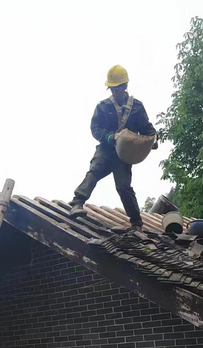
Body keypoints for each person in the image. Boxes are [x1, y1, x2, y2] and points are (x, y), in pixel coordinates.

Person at [68, 65, 157, 231]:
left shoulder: (136, 107)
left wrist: (153, 139)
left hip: (124, 154)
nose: (114, 92)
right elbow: (95, 128)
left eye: (117, 88)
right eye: (112, 89)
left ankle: (136, 223)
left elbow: (146, 127)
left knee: (124, 187)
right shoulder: (103, 106)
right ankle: (77, 203)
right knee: (94, 171)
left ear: (125, 86)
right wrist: (108, 137)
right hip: (106, 150)